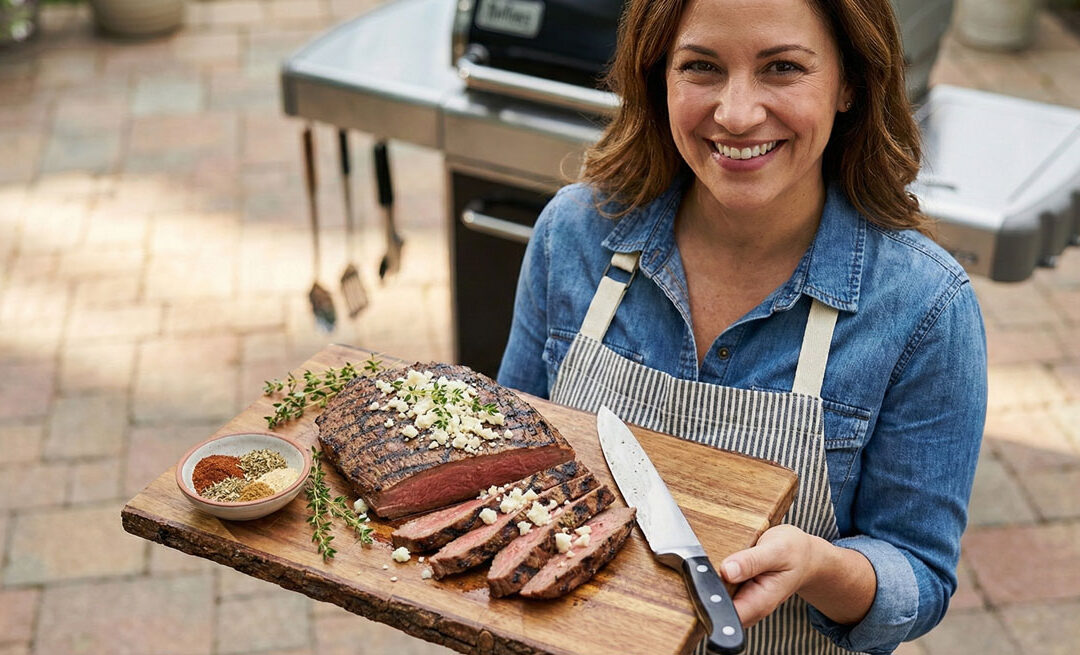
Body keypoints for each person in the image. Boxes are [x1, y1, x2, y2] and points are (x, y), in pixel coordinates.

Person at [497, 0, 987, 653]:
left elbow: (919, 572)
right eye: (701, 66)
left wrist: (822, 568)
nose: (736, 112)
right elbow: (504, 460)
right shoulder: (573, 235)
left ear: (848, 81)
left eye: (782, 67)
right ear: (657, 76)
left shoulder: (925, 307)